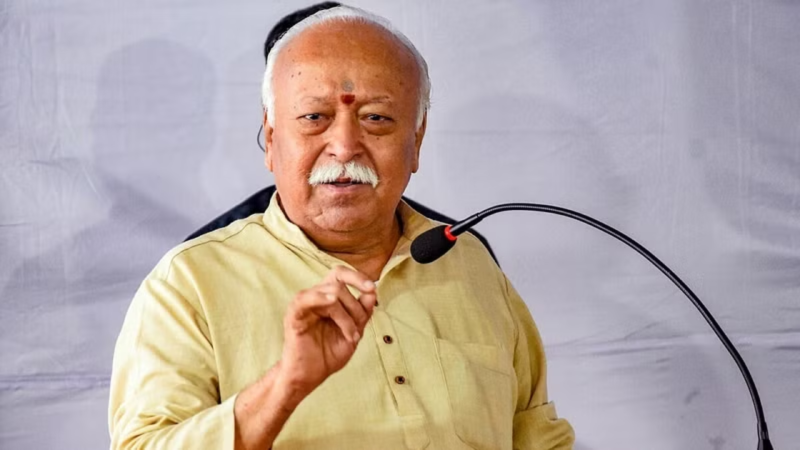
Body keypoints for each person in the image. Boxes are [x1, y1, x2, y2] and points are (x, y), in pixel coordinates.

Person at [108, 5, 575, 449]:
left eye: (376, 118)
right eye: (315, 117)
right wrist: (287, 384)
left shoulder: (469, 263)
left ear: (416, 141)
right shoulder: (189, 283)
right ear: (270, 138)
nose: (346, 146)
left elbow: (535, 434)